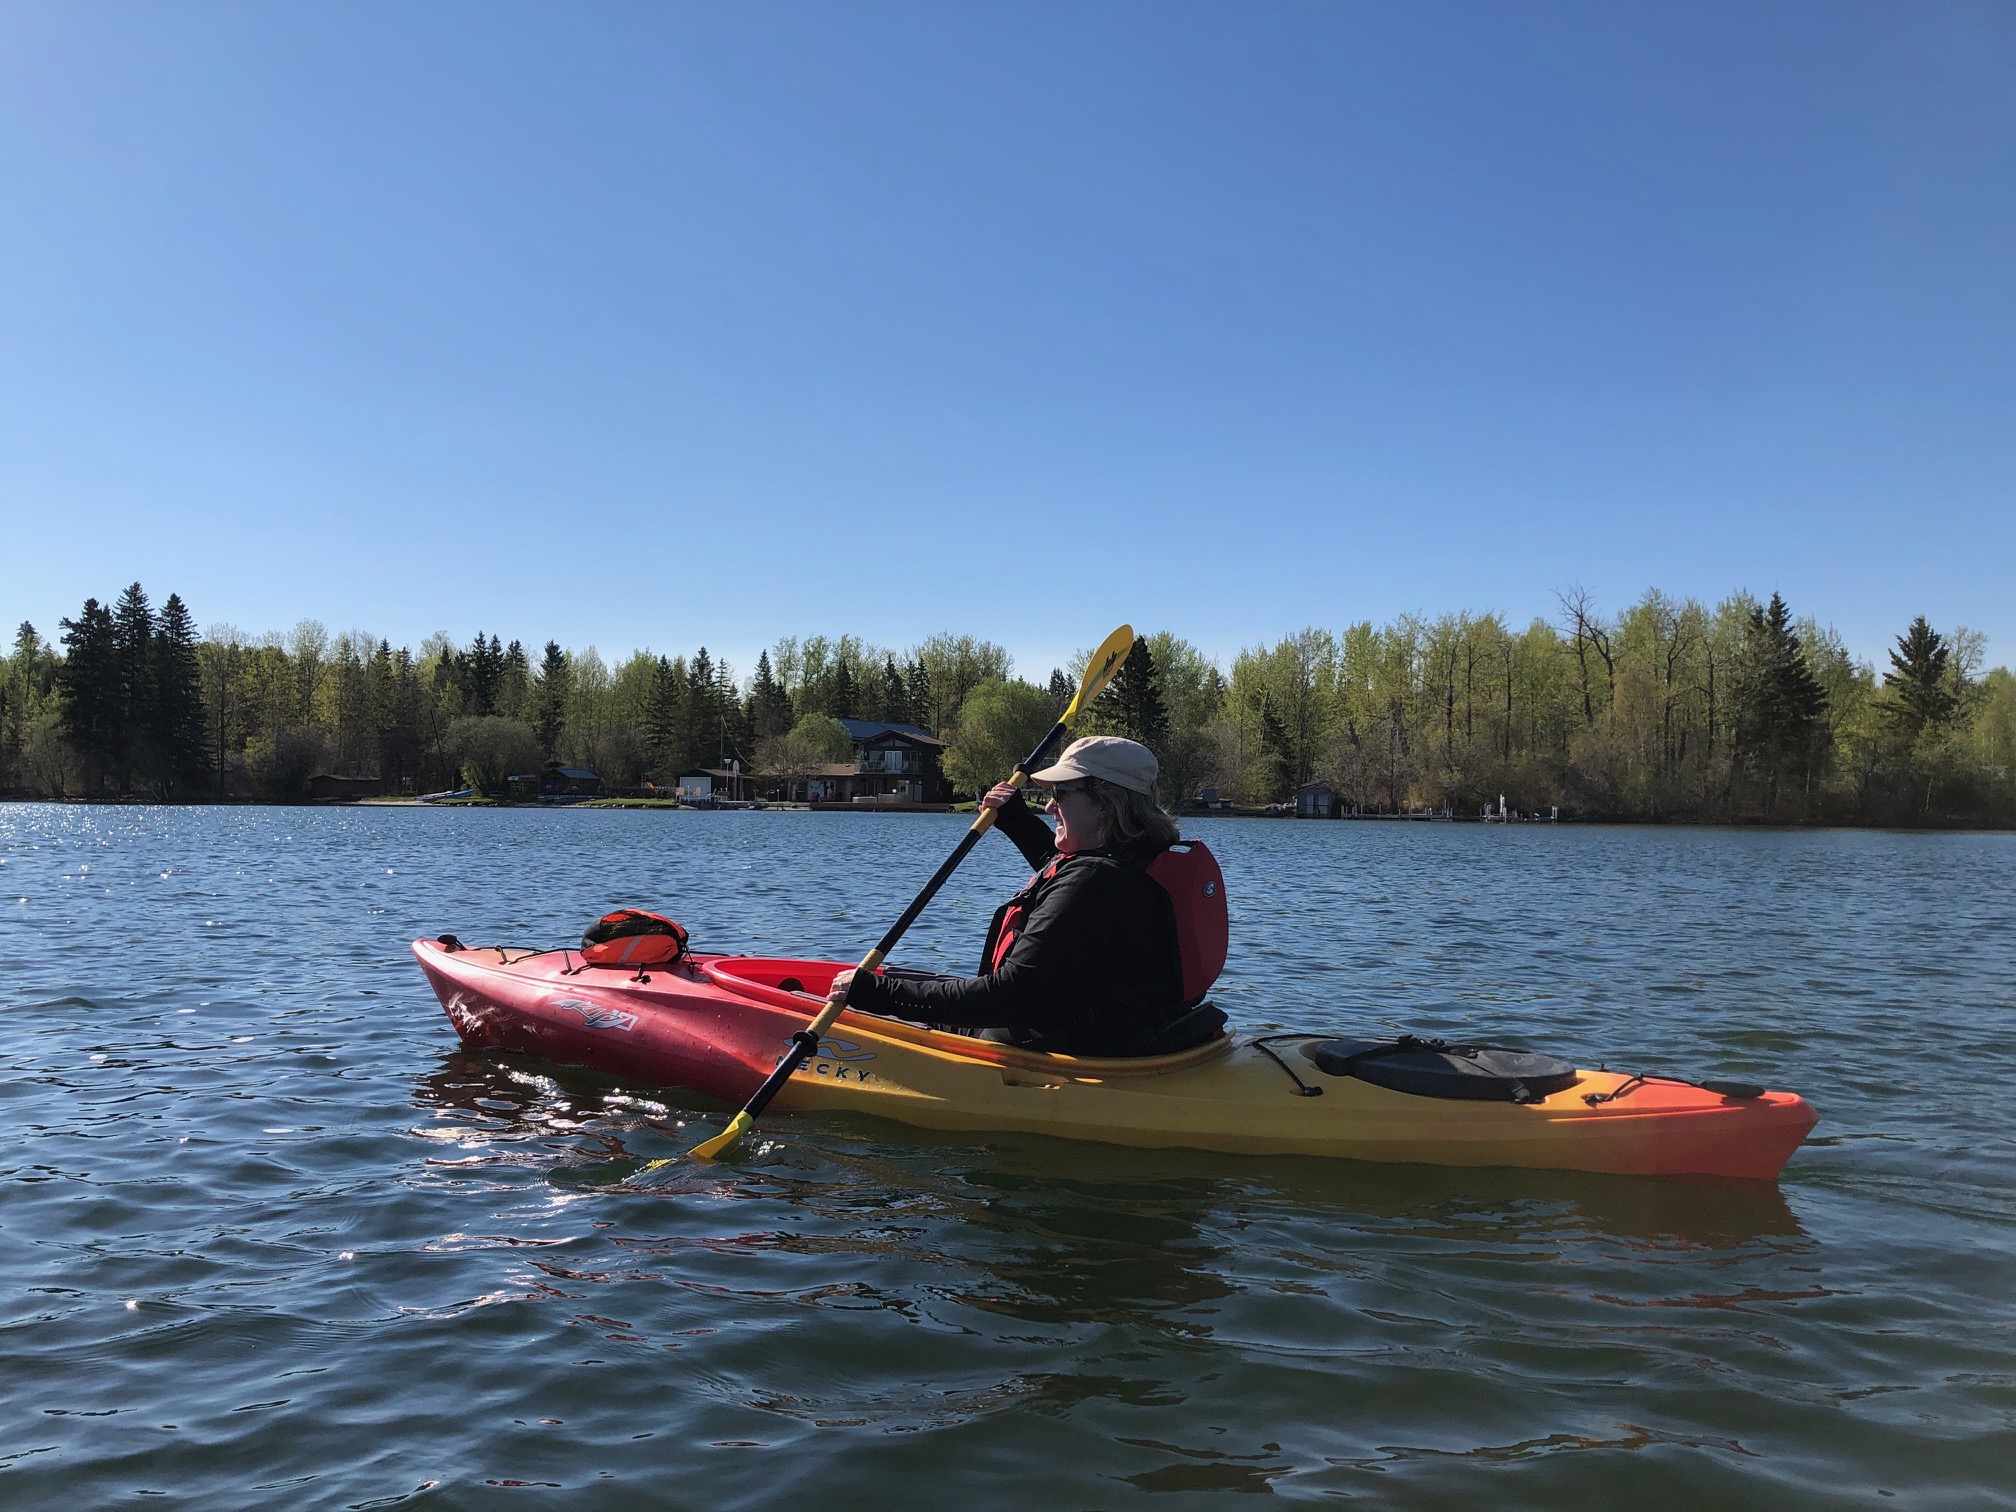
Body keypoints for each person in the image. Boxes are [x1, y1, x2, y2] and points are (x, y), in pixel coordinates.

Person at [832, 735, 1199, 1057]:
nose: (1050, 806)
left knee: (866, 1004)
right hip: (1124, 1031)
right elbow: (1068, 881)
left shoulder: (1096, 883)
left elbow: (1009, 998)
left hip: (1056, 1043)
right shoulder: (1141, 858)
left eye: (1060, 793)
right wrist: (1017, 820)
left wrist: (878, 994)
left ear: (1105, 802)